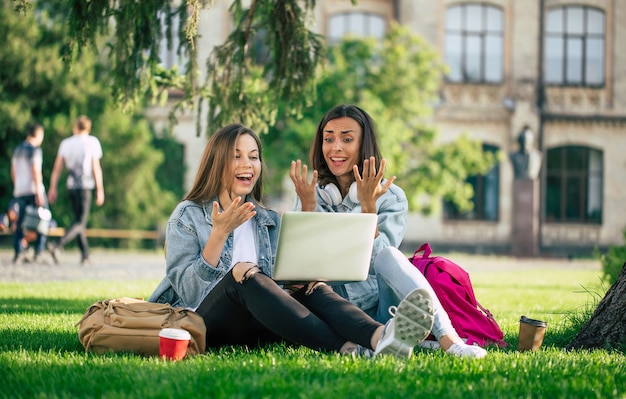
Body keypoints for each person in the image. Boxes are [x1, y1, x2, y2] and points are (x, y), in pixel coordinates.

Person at [148, 123, 435, 358]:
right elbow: (190, 293)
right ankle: (348, 349)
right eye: (236, 156)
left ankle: (380, 337)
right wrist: (219, 234)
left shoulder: (268, 220)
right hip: (205, 325)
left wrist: (300, 280)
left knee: (306, 284)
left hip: (260, 326)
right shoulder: (187, 216)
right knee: (243, 272)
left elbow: (281, 287)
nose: (247, 164)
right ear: (216, 162)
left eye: (253, 156)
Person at [290, 104, 488, 358]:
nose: (335, 147)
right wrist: (307, 208)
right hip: (333, 308)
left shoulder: (391, 197)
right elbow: (300, 267)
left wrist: (368, 209)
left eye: (347, 139)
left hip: (382, 307)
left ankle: (450, 341)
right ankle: (372, 341)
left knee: (390, 256)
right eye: (328, 139)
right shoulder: (311, 194)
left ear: (364, 145)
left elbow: (379, 262)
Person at [47, 115, 105, 266]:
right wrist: (100, 189)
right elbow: (96, 168)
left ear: (75, 127)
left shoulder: (66, 143)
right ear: (88, 128)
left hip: (71, 186)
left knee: (78, 221)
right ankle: (57, 244)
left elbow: (57, 168)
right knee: (80, 222)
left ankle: (85, 254)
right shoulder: (92, 142)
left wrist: (53, 188)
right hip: (85, 186)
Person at [10, 122, 49, 264]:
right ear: (38, 134)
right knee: (43, 219)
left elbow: (13, 171)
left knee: (20, 222)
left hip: (20, 190)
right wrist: (39, 191)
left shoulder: (18, 150)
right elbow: (35, 171)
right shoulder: (35, 150)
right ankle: (39, 251)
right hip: (33, 189)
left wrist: (17, 185)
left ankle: (18, 252)